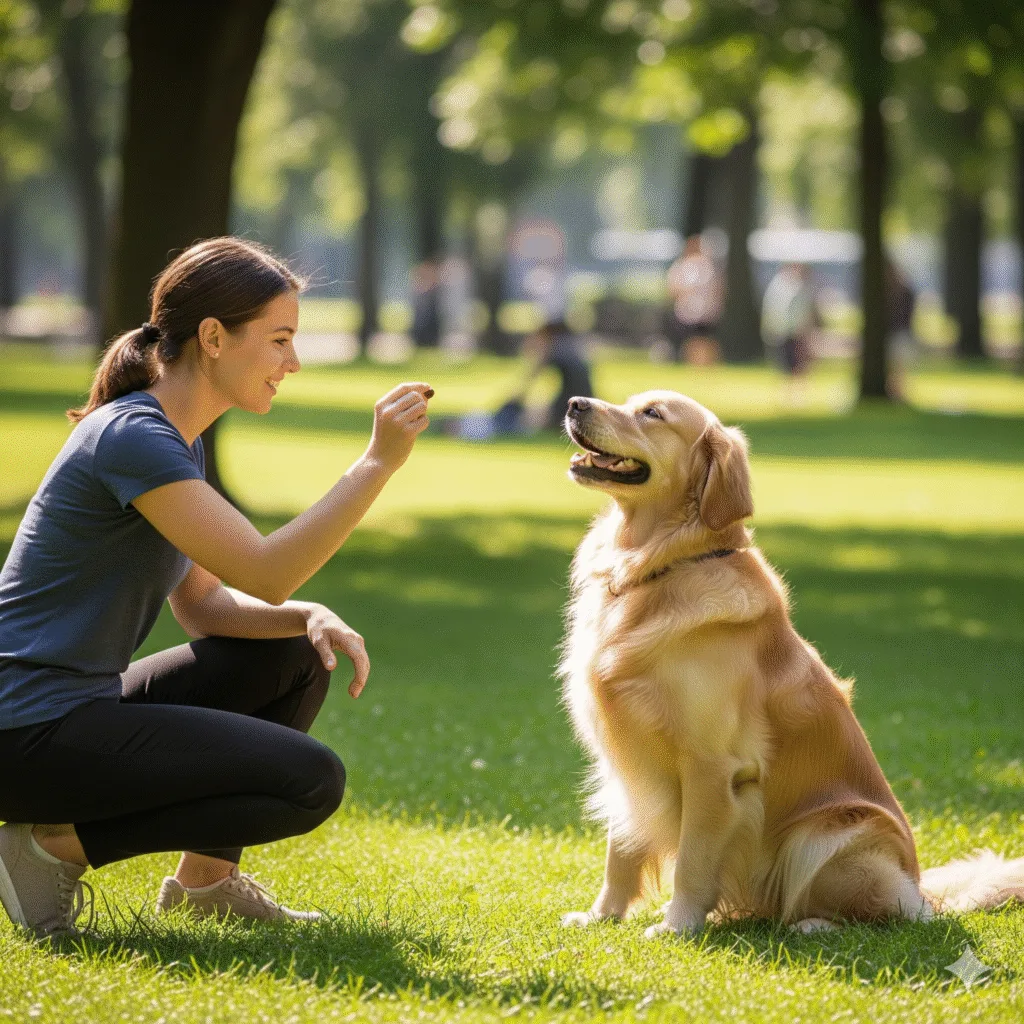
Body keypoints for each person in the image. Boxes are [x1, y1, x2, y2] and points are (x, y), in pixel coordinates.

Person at [0, 237, 433, 939]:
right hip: (22, 733)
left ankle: (206, 886)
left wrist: (307, 616)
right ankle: (49, 849)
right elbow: (265, 571)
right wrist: (376, 464)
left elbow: (202, 605)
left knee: (297, 654)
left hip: (75, 710)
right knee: (309, 782)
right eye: (280, 339)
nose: (293, 362)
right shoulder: (133, 436)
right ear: (212, 338)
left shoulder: (176, 438)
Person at [761, 262, 818, 403]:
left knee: (797, 364)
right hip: (784, 332)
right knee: (787, 364)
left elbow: (804, 311)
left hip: (795, 332)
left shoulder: (796, 287)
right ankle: (789, 395)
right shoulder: (781, 286)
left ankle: (797, 395)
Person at [662, 235, 723, 363]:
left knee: (699, 343)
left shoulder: (697, 266)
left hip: (696, 313)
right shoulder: (703, 266)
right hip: (695, 313)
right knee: (697, 343)